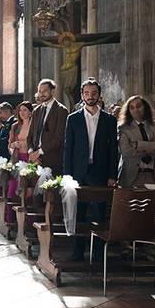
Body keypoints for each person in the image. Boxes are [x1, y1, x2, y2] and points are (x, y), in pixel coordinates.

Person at [63, 78, 119, 260]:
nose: (90, 96)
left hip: (100, 172)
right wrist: (67, 176)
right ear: (82, 95)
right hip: (78, 172)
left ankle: (98, 254)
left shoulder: (110, 119)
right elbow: (68, 149)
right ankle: (77, 252)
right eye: (86, 93)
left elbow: (113, 149)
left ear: (99, 95)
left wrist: (112, 174)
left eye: (94, 93)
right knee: (78, 213)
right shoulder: (73, 119)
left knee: (99, 214)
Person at [116, 95, 155, 187]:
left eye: (139, 106)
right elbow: (126, 151)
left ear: (145, 107)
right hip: (131, 176)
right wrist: (152, 147)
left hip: (154, 175)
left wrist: (138, 145)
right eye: (132, 108)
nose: (136, 110)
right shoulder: (123, 128)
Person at [27, 78, 70, 175]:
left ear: (52, 91)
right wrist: (31, 153)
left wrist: (38, 152)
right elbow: (30, 136)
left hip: (52, 161)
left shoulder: (61, 110)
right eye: (39, 91)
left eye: (45, 91)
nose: (42, 94)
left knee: (49, 190)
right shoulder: (36, 111)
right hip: (34, 160)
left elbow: (59, 139)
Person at [5, 102, 34, 223]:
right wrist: (13, 145)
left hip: (30, 159)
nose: (22, 112)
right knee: (12, 189)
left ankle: (26, 223)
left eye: (25, 110)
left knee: (27, 191)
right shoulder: (15, 126)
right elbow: (9, 145)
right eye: (20, 110)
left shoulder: (34, 126)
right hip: (17, 159)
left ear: (31, 112)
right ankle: (10, 220)